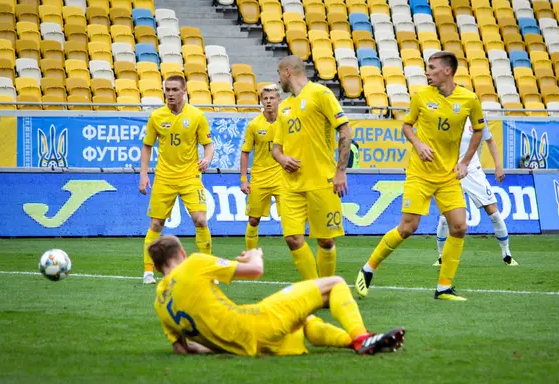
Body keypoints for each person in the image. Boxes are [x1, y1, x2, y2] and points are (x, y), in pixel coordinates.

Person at [354, 51, 486, 301]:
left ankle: (444, 287)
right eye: (427, 68)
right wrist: (418, 144)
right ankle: (368, 269)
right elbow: (406, 126)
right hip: (420, 173)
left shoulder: (469, 99)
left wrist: (465, 162)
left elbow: (479, 130)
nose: (427, 72)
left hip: (448, 175)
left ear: (447, 71)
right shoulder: (421, 96)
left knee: (459, 227)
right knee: (408, 227)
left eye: (432, 68)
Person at [150, 235, 405, 356]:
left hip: (250, 348)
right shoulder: (193, 264)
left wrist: (221, 346)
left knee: (305, 321)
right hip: (258, 323)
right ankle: (361, 338)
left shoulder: (160, 303)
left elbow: (183, 350)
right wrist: (254, 255)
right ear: (182, 253)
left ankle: (360, 344)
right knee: (335, 283)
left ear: (158, 266)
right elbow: (256, 270)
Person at [271, 55, 352, 280]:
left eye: (279, 74)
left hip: (322, 180)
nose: (278, 81)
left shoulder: (321, 94)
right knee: (292, 238)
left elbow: (345, 131)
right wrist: (282, 159)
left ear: (288, 71)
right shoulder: (284, 107)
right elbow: (276, 148)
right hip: (290, 184)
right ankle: (315, 288)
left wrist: (340, 171)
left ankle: (326, 286)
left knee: (326, 240)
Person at [138, 75, 215, 285]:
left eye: (174, 90)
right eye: (167, 90)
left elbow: (208, 144)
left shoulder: (197, 116)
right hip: (164, 177)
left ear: (184, 91)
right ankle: (147, 272)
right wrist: (143, 175)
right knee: (156, 223)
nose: (170, 94)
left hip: (190, 176)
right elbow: (147, 146)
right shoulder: (156, 116)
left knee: (200, 220)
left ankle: (207, 270)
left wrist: (207, 159)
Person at [433, 119, 519, 267]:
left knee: (493, 212)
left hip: (473, 171)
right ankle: (441, 257)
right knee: (444, 217)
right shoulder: (446, 115)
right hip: (451, 172)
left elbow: (490, 141)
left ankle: (507, 255)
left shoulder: (476, 117)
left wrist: (498, 166)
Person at [240, 85, 283, 250]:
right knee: (253, 220)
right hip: (259, 178)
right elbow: (245, 152)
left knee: (290, 219)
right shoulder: (254, 125)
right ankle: (251, 256)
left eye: (272, 98)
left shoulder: (287, 122)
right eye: (265, 98)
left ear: (279, 100)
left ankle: (297, 255)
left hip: (282, 178)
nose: (269, 101)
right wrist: (244, 179)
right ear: (261, 102)